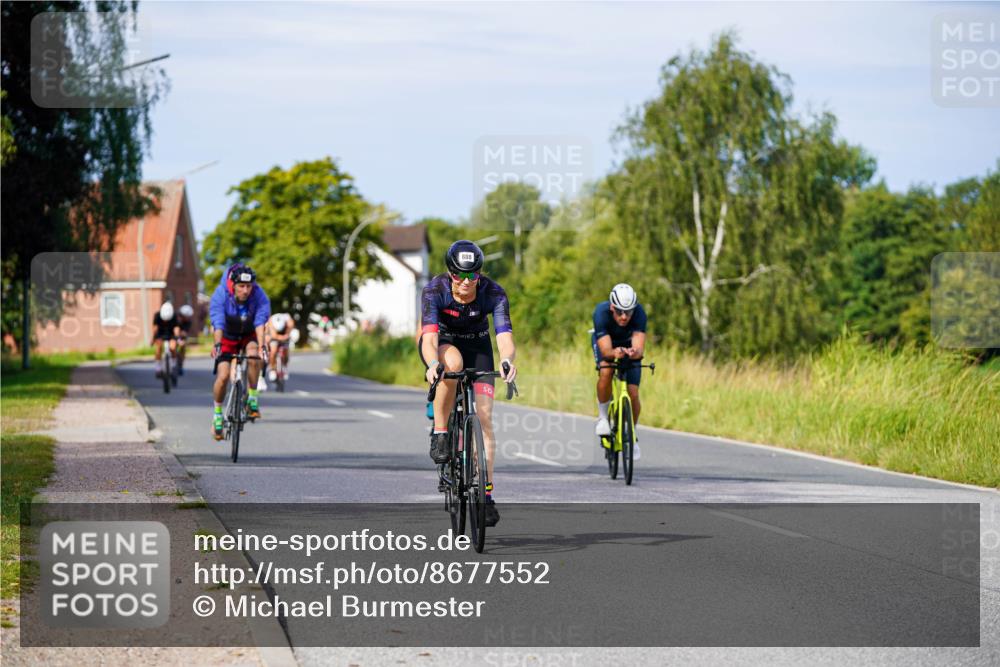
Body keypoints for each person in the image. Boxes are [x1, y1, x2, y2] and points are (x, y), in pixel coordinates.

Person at [419, 240, 517, 528]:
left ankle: (486, 496)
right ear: (450, 273)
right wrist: (432, 364)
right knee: (453, 365)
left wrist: (507, 360)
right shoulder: (434, 290)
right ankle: (441, 432)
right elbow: (429, 338)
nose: (465, 281)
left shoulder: (493, 292)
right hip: (444, 343)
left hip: (478, 345)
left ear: (480, 273)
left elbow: (504, 337)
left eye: (472, 274)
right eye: (459, 275)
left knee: (484, 417)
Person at [209, 264, 271, 440]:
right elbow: (218, 322)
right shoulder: (221, 294)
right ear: (233, 284)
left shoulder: (258, 295)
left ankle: (252, 399)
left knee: (254, 355)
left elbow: (260, 321)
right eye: (241, 286)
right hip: (227, 336)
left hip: (248, 334)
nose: (245, 290)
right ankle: (217, 414)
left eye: (249, 286)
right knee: (223, 376)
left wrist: (262, 345)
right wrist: (217, 344)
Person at [592, 283, 647, 436]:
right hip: (607, 343)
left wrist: (633, 352)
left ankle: (631, 433)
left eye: (628, 312)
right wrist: (614, 353)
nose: (624, 316)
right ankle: (603, 418)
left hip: (628, 345)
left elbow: (639, 349)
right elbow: (606, 352)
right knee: (606, 371)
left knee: (633, 393)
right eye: (619, 311)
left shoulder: (639, 313)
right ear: (612, 307)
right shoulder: (601, 313)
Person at [152, 302, 181, 377]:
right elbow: (155, 328)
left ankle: (174, 364)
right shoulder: (157, 316)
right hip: (160, 334)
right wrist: (153, 338)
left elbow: (176, 328)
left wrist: (177, 338)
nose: (166, 321)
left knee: (173, 348)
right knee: (158, 348)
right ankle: (158, 367)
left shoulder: (174, 316)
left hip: (171, 334)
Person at [266, 312, 295, 382]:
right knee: (273, 351)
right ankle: (272, 369)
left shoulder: (289, 322)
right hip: (274, 336)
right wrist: (282, 337)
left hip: (285, 334)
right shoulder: (271, 322)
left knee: (286, 351)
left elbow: (289, 333)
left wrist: (286, 336)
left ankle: (284, 366)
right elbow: (273, 336)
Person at [176, 304, 195, 375]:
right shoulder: (176, 319)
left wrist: (182, 340)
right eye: (188, 317)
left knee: (183, 347)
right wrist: (177, 339)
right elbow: (175, 330)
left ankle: (181, 365)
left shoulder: (188, 322)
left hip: (182, 336)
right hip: (173, 335)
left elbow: (185, 333)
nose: (189, 318)